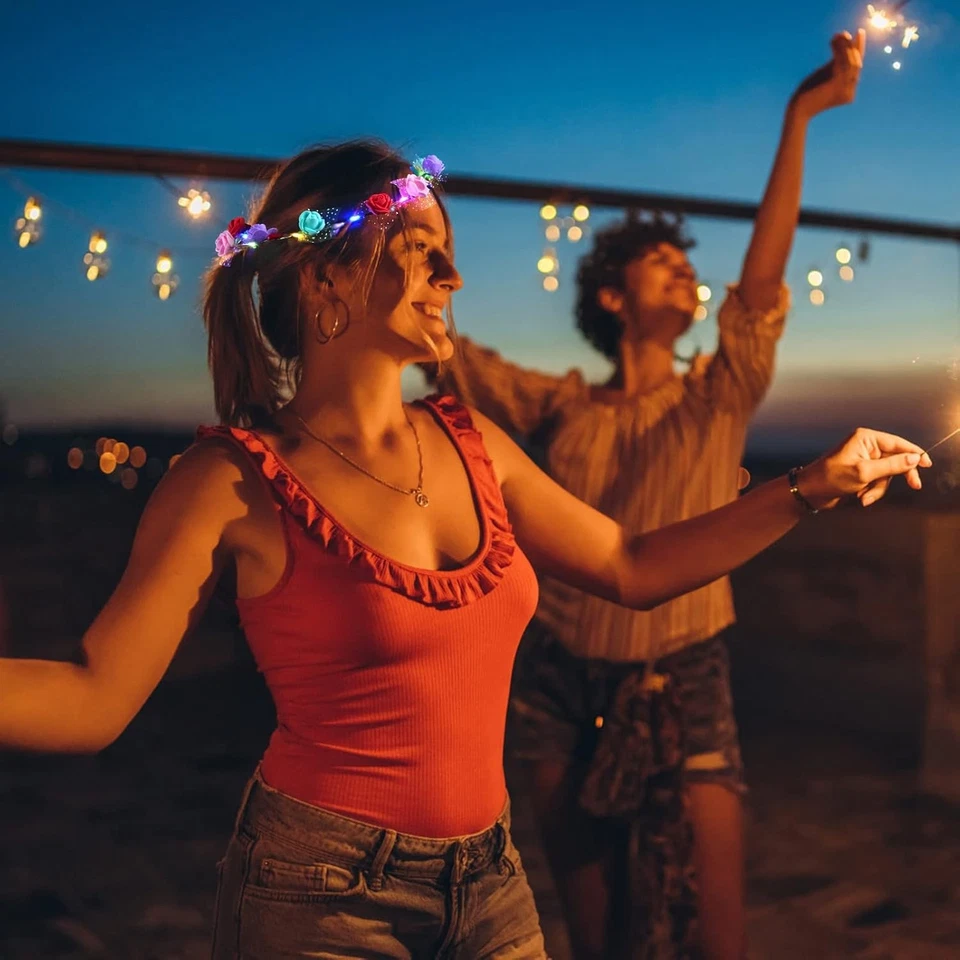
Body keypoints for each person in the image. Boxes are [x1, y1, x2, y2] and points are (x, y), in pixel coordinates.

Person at [0, 133, 929, 960]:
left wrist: (813, 485)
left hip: (488, 882)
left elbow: (632, 566)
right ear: (326, 280)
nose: (453, 279)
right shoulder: (231, 480)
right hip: (317, 896)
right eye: (423, 252)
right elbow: (93, 697)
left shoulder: (472, 441)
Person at [427, 30, 867, 960]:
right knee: (599, 939)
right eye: (660, 261)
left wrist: (801, 115)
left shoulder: (718, 391)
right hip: (559, 683)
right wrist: (418, 241)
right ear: (613, 299)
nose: (684, 269)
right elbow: (451, 355)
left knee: (715, 940)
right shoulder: (560, 405)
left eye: (686, 262)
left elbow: (761, 283)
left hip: (685, 675)